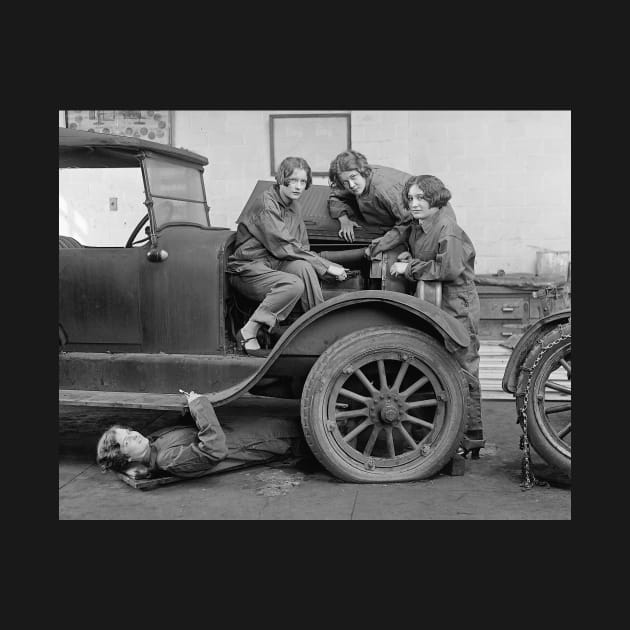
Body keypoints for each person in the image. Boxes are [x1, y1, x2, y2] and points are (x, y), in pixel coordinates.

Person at [367, 174, 484, 456]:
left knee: (464, 365)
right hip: (435, 300)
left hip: (458, 302)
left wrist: (410, 268)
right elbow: (413, 244)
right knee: (439, 363)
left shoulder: (447, 228)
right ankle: (447, 433)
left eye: (421, 198)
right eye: (411, 198)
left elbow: (449, 270)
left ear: (436, 199)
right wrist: (406, 255)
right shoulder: (419, 226)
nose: (415, 204)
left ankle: (471, 434)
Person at [227, 156, 347, 356]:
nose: (298, 187)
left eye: (302, 181)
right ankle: (250, 330)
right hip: (248, 267)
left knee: (304, 267)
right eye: (292, 180)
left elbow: (301, 246)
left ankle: (316, 327)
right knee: (293, 284)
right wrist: (326, 266)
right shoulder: (266, 204)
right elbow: (283, 245)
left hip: (274, 262)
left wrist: (323, 267)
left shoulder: (294, 205)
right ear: (281, 179)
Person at [96, 391, 304, 478]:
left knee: (293, 423)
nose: (133, 435)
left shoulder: (152, 442)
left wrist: (188, 406)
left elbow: (183, 434)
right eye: (126, 441)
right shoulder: (165, 459)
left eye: (130, 431)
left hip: (246, 431)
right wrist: (198, 405)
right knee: (302, 431)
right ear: (128, 458)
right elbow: (214, 450)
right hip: (261, 441)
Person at [327, 150, 456, 245]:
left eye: (353, 177)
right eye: (345, 182)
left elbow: (408, 221)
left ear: (362, 171)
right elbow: (335, 196)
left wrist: (382, 243)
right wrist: (344, 220)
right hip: (407, 222)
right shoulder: (355, 183)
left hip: (434, 220)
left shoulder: (383, 188)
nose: (351, 185)